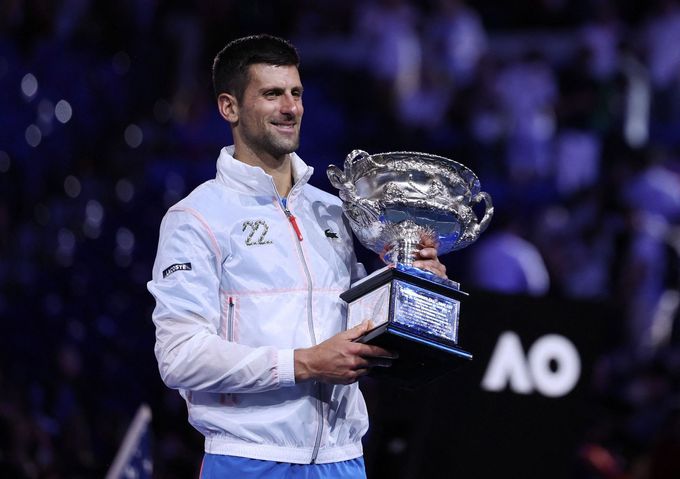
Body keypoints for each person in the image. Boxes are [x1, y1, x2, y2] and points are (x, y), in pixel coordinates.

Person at [147, 34, 447, 479]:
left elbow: (364, 325)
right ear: (229, 108)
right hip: (248, 459)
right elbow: (180, 356)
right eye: (272, 94)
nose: (290, 108)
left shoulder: (333, 210)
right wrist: (303, 363)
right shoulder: (196, 217)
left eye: (296, 93)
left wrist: (415, 285)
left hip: (342, 460)